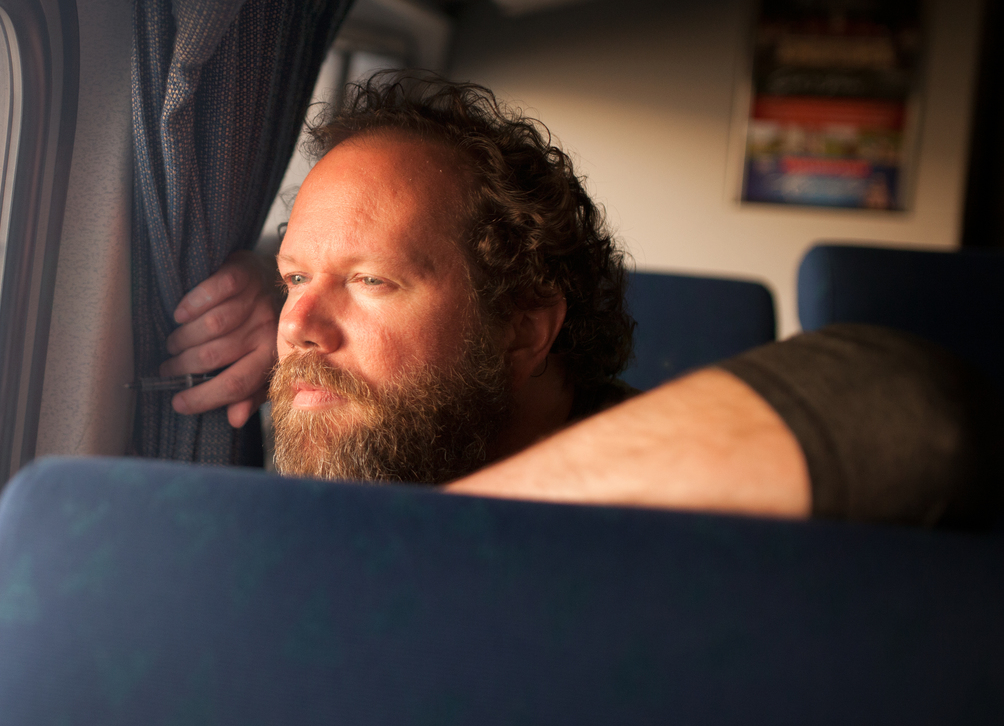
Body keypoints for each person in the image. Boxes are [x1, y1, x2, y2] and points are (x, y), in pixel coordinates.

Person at [159, 72, 998, 526]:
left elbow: (912, 413)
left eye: (372, 281)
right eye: (296, 282)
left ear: (523, 329)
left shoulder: (674, 517)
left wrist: (441, 532)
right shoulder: (366, 434)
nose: (298, 327)